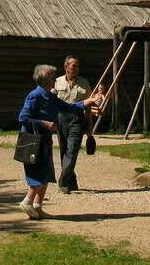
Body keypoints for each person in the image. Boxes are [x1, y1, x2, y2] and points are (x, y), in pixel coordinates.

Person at [17, 64, 103, 219]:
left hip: (44, 139)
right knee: (38, 170)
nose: (55, 79)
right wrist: (45, 123)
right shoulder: (35, 95)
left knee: (48, 171)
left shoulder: (50, 96)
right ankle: (27, 201)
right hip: (33, 140)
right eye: (51, 76)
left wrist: (89, 101)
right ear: (43, 79)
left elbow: (69, 107)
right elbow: (23, 117)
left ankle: (37, 206)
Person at [54, 55, 92, 194]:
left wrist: (89, 129)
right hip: (60, 118)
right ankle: (72, 180)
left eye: (77, 66)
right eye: (73, 65)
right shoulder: (57, 82)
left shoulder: (84, 83)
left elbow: (88, 105)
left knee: (72, 150)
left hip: (77, 119)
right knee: (64, 151)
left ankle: (63, 182)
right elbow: (52, 102)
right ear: (66, 67)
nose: (76, 68)